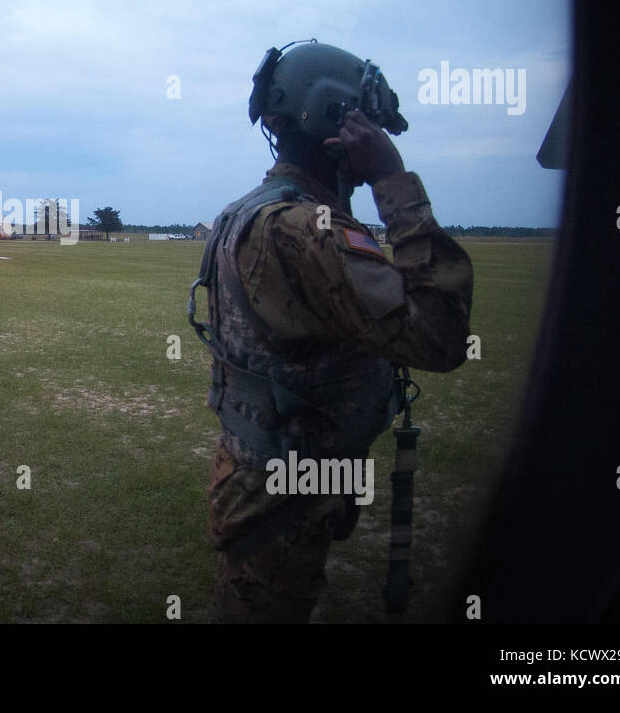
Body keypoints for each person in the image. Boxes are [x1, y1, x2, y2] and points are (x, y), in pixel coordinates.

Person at [192, 40, 474, 623]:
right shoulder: (307, 231)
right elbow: (442, 336)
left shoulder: (246, 212)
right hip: (283, 490)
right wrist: (393, 181)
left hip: (258, 470)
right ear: (335, 124)